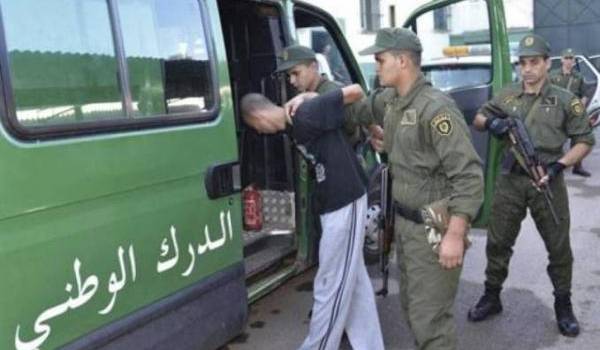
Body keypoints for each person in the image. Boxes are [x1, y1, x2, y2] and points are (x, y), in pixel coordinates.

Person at [358, 28, 485, 350]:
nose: (376, 66)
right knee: (414, 311)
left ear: (402, 61)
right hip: (403, 223)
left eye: (380, 59)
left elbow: (469, 176)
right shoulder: (393, 101)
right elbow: (360, 108)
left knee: (431, 323)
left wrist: (455, 235)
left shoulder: (436, 109)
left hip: (433, 225)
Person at [467, 34, 595, 338]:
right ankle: (492, 295)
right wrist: (493, 124)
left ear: (546, 63)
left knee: (559, 247)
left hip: (548, 180)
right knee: (498, 242)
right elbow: (478, 117)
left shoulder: (565, 99)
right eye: (522, 63)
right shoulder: (508, 95)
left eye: (533, 62)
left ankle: (563, 304)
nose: (527, 69)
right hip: (511, 181)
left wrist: (559, 164)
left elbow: (585, 140)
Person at [240, 85, 385, 350]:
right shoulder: (292, 125)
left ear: (258, 118)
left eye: (257, 128)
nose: (261, 133)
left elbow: (355, 91)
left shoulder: (304, 113)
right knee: (354, 283)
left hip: (345, 200)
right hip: (334, 206)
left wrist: (310, 97)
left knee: (330, 284)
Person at [275, 44, 366, 146]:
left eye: (296, 73)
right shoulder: (303, 95)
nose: (291, 81)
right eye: (289, 75)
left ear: (314, 66)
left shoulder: (332, 91)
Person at [549, 48, 591, 177]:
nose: (568, 61)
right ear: (561, 60)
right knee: (554, 139)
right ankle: (553, 166)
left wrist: (579, 109)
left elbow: (584, 95)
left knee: (579, 138)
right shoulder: (553, 75)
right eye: (566, 58)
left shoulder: (578, 76)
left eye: (571, 58)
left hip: (574, 112)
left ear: (573, 61)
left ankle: (577, 166)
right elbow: (547, 93)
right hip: (558, 112)